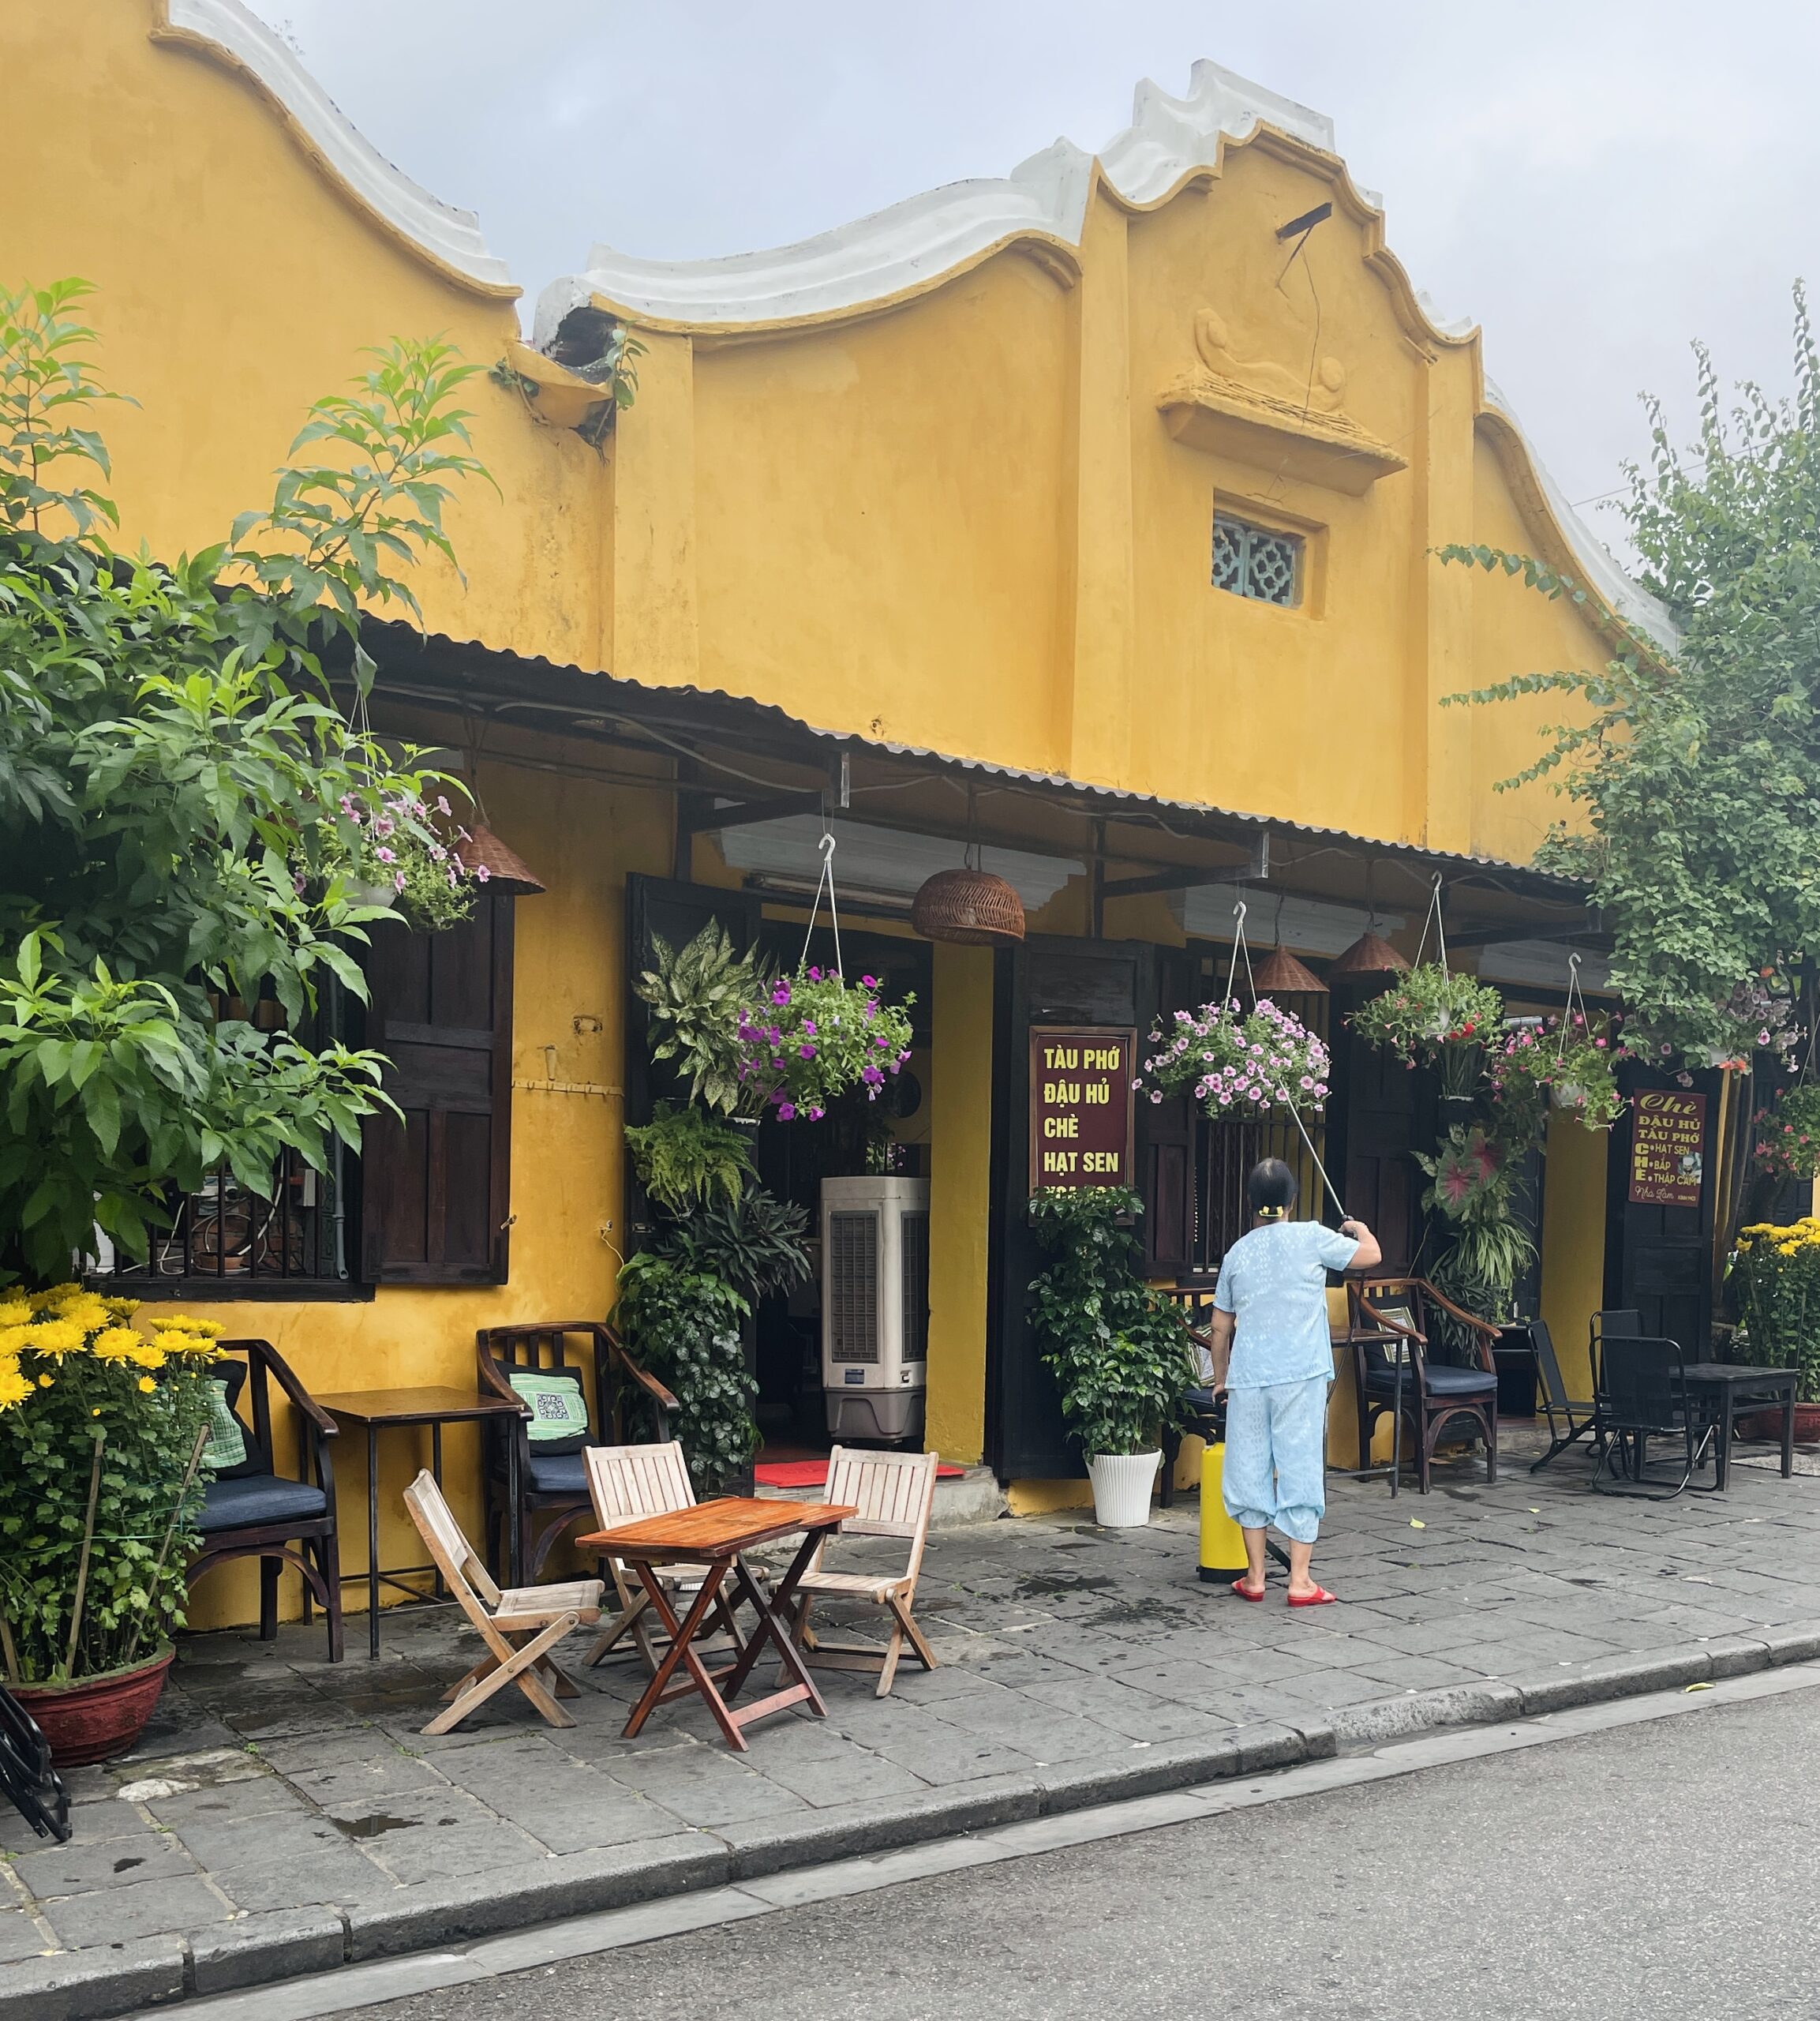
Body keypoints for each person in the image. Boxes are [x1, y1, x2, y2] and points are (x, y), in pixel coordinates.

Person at [1206, 1158, 1380, 1607]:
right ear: (1292, 1201)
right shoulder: (1312, 1236)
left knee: (1249, 1471)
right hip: (1300, 1376)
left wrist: (1220, 1380)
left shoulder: (1236, 1253)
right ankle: (1300, 1581)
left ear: (1250, 1202)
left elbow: (1220, 1329)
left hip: (1248, 1380)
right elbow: (1372, 1256)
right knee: (1300, 1466)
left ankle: (1256, 1577)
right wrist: (1357, 1228)